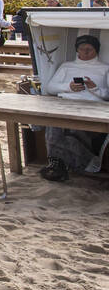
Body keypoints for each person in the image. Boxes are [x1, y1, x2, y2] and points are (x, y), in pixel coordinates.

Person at [39, 35, 109, 181]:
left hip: (93, 106)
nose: (85, 52)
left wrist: (94, 89)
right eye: (81, 49)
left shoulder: (105, 68)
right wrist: (68, 87)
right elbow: (50, 87)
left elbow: (107, 95)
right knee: (54, 125)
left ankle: (63, 164)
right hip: (66, 103)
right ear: (76, 50)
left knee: (69, 131)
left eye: (89, 49)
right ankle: (71, 163)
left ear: (96, 50)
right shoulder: (67, 66)